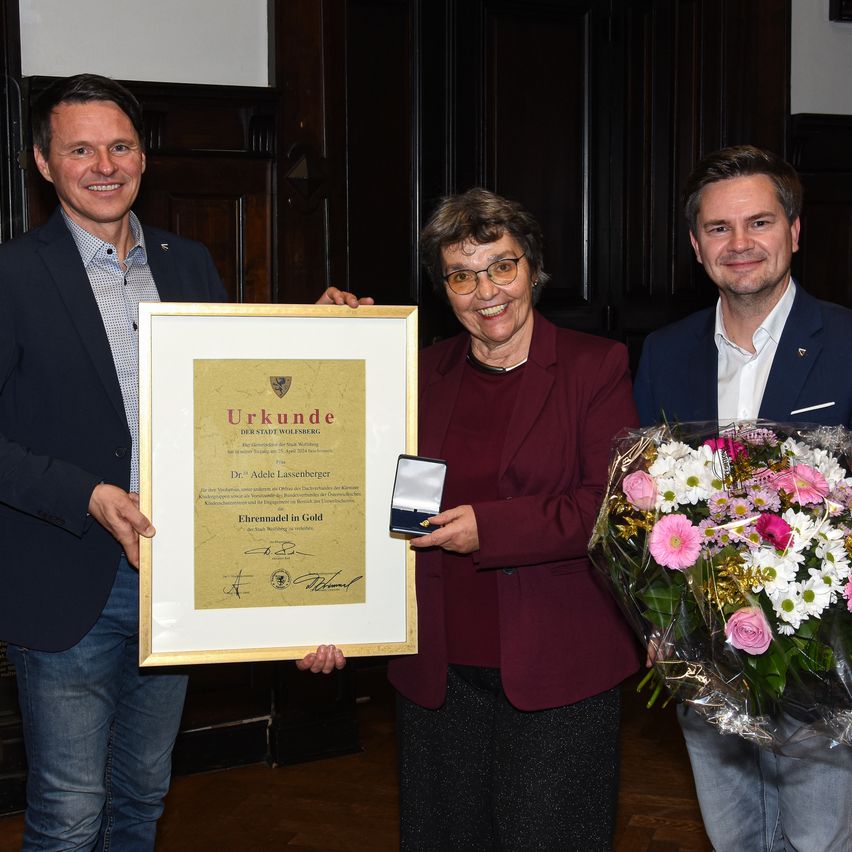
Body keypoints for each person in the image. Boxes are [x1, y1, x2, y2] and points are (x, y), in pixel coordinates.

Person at [0, 73, 365, 849]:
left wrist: (324, 338)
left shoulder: (189, 262)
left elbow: (235, 397)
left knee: (142, 797)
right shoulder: (12, 276)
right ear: (42, 162)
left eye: (121, 145)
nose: (105, 164)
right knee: (67, 814)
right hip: (70, 584)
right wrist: (89, 493)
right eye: (80, 149)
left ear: (144, 156)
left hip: (179, 583)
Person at [387, 188, 641, 850]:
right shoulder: (418, 372)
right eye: (462, 275)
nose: (486, 291)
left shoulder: (595, 367)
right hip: (437, 671)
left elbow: (604, 506)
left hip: (558, 668)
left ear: (531, 266)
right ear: (443, 287)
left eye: (502, 265)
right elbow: (388, 500)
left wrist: (489, 530)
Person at [634, 145, 852, 852]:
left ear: (795, 230)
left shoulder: (847, 340)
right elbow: (641, 503)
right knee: (732, 837)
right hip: (706, 647)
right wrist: (657, 619)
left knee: (819, 841)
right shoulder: (664, 353)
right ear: (696, 245)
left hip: (824, 656)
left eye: (758, 222)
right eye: (719, 229)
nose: (740, 244)